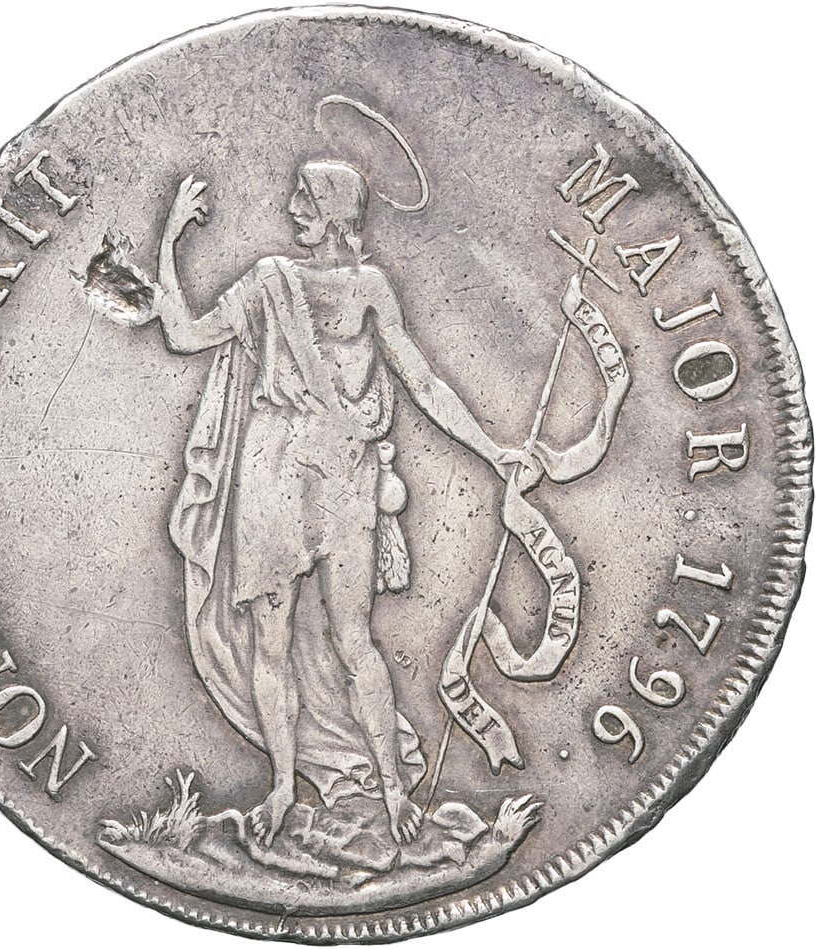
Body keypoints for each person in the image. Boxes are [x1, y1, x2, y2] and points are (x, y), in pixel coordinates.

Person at [124, 163, 543, 848]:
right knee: (271, 642)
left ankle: (392, 789)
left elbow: (423, 382)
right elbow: (185, 336)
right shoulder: (267, 281)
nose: (292, 207)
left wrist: (492, 450)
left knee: (355, 640)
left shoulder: (370, 287)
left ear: (335, 211)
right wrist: (169, 242)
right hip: (272, 475)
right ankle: (283, 787)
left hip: (345, 481)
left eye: (305, 197)